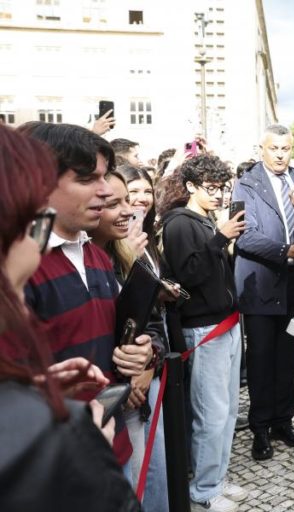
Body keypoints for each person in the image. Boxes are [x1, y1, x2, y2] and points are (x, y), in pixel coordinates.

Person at [0, 122, 141, 512]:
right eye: (87, 178)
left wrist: (144, 356)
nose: (106, 190)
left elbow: (121, 334)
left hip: (103, 442)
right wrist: (42, 416)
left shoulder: (97, 253)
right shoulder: (33, 262)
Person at [160, 155, 247, 512]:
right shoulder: (180, 223)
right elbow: (188, 274)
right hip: (203, 328)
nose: (218, 194)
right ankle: (205, 488)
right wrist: (219, 240)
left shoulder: (205, 220)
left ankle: (216, 479)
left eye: (222, 187)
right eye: (210, 187)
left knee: (226, 411)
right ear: (192, 187)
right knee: (211, 413)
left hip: (225, 323)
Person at [88, 170, 170, 511]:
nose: (128, 210)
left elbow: (152, 327)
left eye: (129, 199)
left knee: (153, 480)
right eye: (115, 203)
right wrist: (126, 377)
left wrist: (148, 363)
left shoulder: (126, 258)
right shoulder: (83, 263)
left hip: (142, 395)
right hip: (110, 401)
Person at [232, 124, 294, 462]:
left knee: (288, 358)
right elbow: (243, 235)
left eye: (286, 148)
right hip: (261, 284)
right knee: (261, 360)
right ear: (261, 148)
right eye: (274, 148)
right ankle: (260, 427)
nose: (280, 154)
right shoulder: (246, 182)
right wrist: (285, 251)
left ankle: (283, 421)